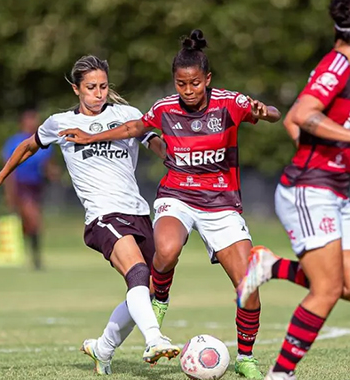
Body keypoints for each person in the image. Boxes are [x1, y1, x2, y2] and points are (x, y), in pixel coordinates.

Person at [59, 30, 281, 379]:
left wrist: (263, 111)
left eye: (195, 83)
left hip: (221, 204)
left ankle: (246, 358)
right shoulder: (165, 108)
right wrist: (91, 136)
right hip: (177, 196)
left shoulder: (230, 103)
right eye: (181, 84)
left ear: (208, 79)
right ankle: (159, 300)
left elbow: (273, 114)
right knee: (165, 249)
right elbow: (133, 126)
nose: (188, 91)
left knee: (248, 286)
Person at [0, 55, 181, 374]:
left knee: (150, 286)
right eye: (90, 87)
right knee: (138, 272)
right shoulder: (59, 123)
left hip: (138, 212)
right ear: (76, 89)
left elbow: (152, 140)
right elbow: (28, 146)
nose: (98, 93)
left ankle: (103, 348)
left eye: (102, 86)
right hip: (103, 216)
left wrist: (174, 159)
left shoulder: (127, 115)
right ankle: (154, 338)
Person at [236, 0, 350, 380]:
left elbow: (295, 122)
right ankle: (280, 374)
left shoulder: (343, 70)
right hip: (309, 190)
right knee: (328, 289)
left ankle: (271, 265)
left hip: (333, 192)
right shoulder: (336, 66)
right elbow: (301, 115)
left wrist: (323, 143)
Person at [0, 109, 56, 270]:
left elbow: (47, 165)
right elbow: (9, 169)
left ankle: (28, 253)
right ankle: (36, 258)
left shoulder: (43, 142)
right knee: (34, 219)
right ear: (23, 122)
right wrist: (9, 193)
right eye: (30, 120)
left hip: (36, 186)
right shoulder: (14, 142)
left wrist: (52, 173)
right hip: (21, 186)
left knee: (29, 223)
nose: (33, 123)